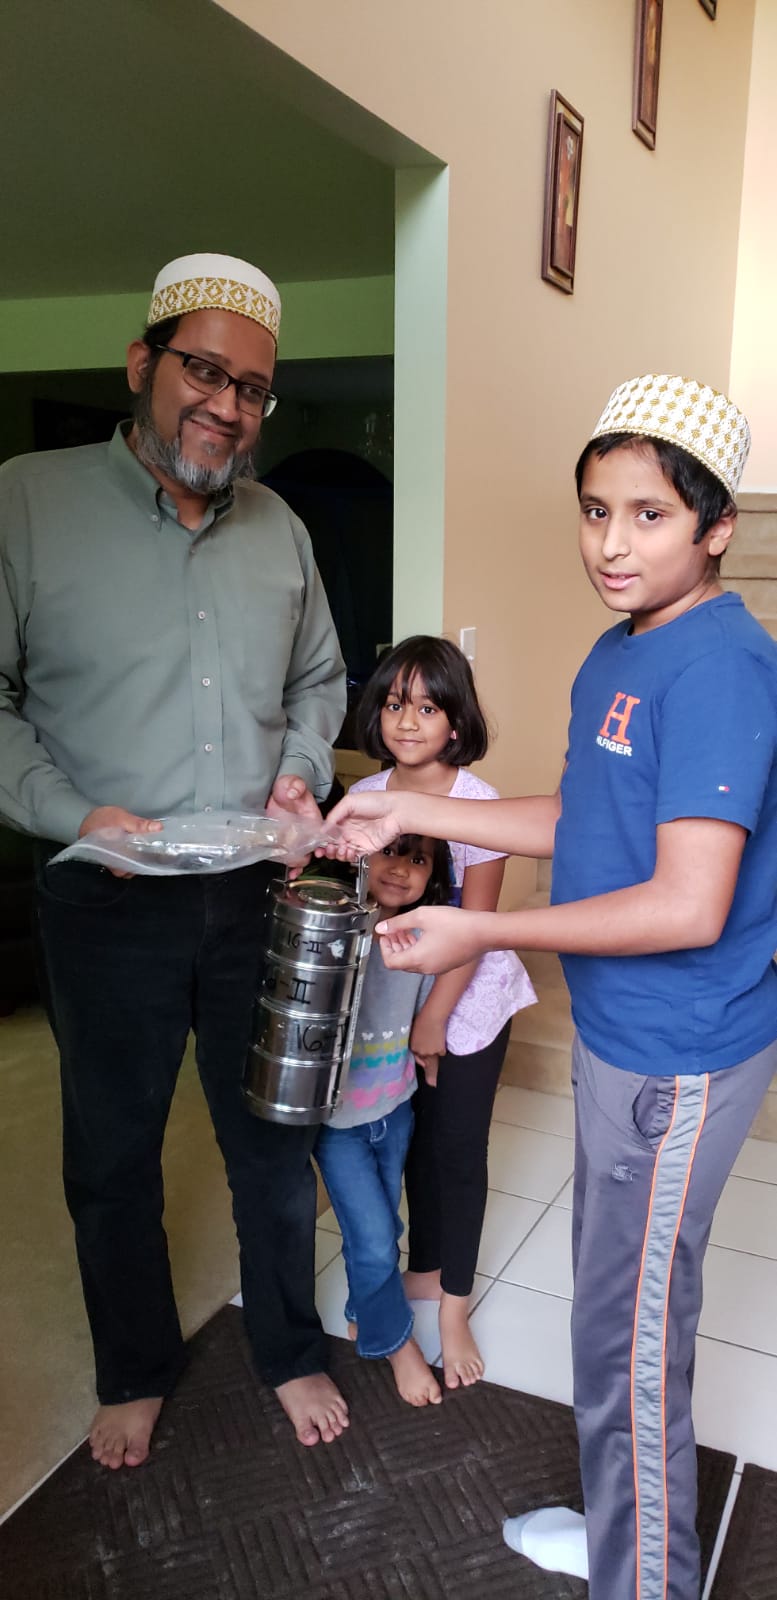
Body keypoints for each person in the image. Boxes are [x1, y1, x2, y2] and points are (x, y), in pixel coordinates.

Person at [324, 374, 777, 1600]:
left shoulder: (724, 668)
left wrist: (479, 936)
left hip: (681, 1047)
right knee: (610, 1312)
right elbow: (585, 819)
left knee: (629, 1336)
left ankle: (647, 1578)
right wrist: (412, 807)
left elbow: (688, 903)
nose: (612, 545)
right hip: (626, 1035)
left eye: (649, 515)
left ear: (716, 526)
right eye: (594, 510)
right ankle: (629, 1533)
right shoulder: (620, 648)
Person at [0, 252, 349, 1467]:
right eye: (204, 371)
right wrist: (68, 811)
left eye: (252, 388)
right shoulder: (26, 501)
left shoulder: (280, 527)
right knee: (112, 1153)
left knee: (274, 1142)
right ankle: (136, 1366)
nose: (227, 405)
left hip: (257, 891)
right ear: (143, 363)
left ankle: (290, 1347)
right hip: (105, 897)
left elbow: (321, 676)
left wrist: (300, 767)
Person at [348, 637, 536, 1388]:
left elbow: (476, 929)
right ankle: (422, 1270)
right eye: (396, 704)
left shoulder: (480, 804)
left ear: (456, 721)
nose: (407, 721)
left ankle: (454, 1308)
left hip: (467, 1002)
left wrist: (435, 1023)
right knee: (410, 1145)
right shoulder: (367, 795)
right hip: (392, 1003)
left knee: (455, 1151)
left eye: (427, 708)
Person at [314, 834, 451, 1407]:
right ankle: (396, 1345)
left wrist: (432, 1055)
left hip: (396, 1111)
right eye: (391, 852)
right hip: (338, 1126)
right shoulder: (335, 930)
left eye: (418, 860)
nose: (401, 869)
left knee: (385, 1226)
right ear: (360, 858)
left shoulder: (422, 939)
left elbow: (426, 1014)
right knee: (372, 1238)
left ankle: (360, 1308)